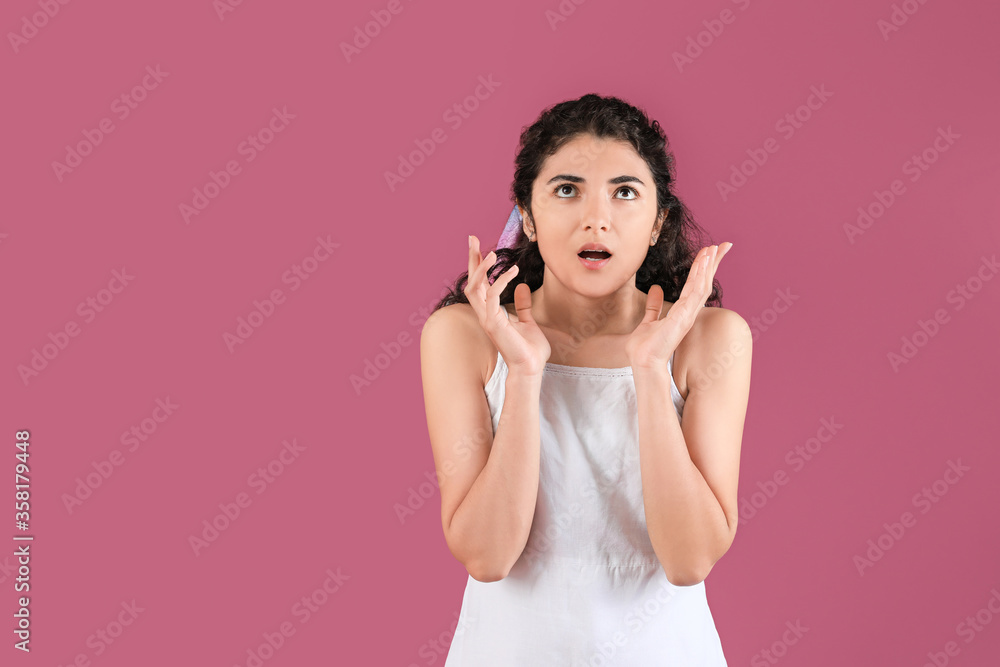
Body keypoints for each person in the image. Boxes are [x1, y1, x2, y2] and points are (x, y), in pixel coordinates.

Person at [419, 93, 751, 665]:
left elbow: (689, 560)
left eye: (625, 192)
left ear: (658, 222)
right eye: (566, 190)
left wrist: (648, 369)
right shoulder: (462, 336)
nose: (596, 217)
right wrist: (524, 375)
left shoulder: (711, 339)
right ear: (527, 214)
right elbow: (487, 556)